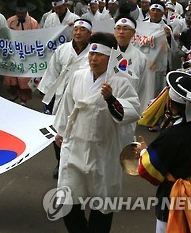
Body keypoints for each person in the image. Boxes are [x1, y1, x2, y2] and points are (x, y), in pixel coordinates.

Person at [54, 32, 140, 232]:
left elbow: (133, 111)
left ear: (110, 57)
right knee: (68, 199)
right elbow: (67, 105)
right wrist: (60, 132)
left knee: (102, 202)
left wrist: (111, 99)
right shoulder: (78, 77)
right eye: (91, 54)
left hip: (104, 150)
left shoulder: (120, 82)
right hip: (75, 146)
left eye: (99, 55)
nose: (93, 59)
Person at [137, 71, 191, 232]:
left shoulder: (172, 134)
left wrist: (143, 153)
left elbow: (148, 170)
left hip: (171, 200)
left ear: (171, 104)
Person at [38, 18, 92, 179]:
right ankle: (60, 161)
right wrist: (47, 96)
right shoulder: (62, 49)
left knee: (81, 130)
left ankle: (79, 163)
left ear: (89, 33)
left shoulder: (93, 52)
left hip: (83, 98)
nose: (78, 32)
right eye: (75, 29)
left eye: (82, 30)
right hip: (61, 95)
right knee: (59, 130)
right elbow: (52, 72)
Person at [5, 0, 40, 106]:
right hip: (13, 53)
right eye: (18, 12)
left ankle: (23, 100)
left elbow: (38, 38)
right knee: (11, 79)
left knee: (24, 80)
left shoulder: (33, 23)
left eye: (23, 12)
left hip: (27, 54)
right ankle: (13, 93)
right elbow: (4, 36)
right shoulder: (10, 21)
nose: (20, 14)